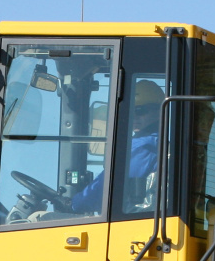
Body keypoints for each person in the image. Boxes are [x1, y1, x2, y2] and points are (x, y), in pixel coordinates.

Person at [69, 79, 164, 217]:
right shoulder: (153, 142)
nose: (135, 117)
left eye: (141, 111)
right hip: (137, 219)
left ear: (158, 112)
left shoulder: (145, 145)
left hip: (131, 223)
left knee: (39, 218)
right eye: (132, 112)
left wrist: (74, 203)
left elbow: (106, 187)